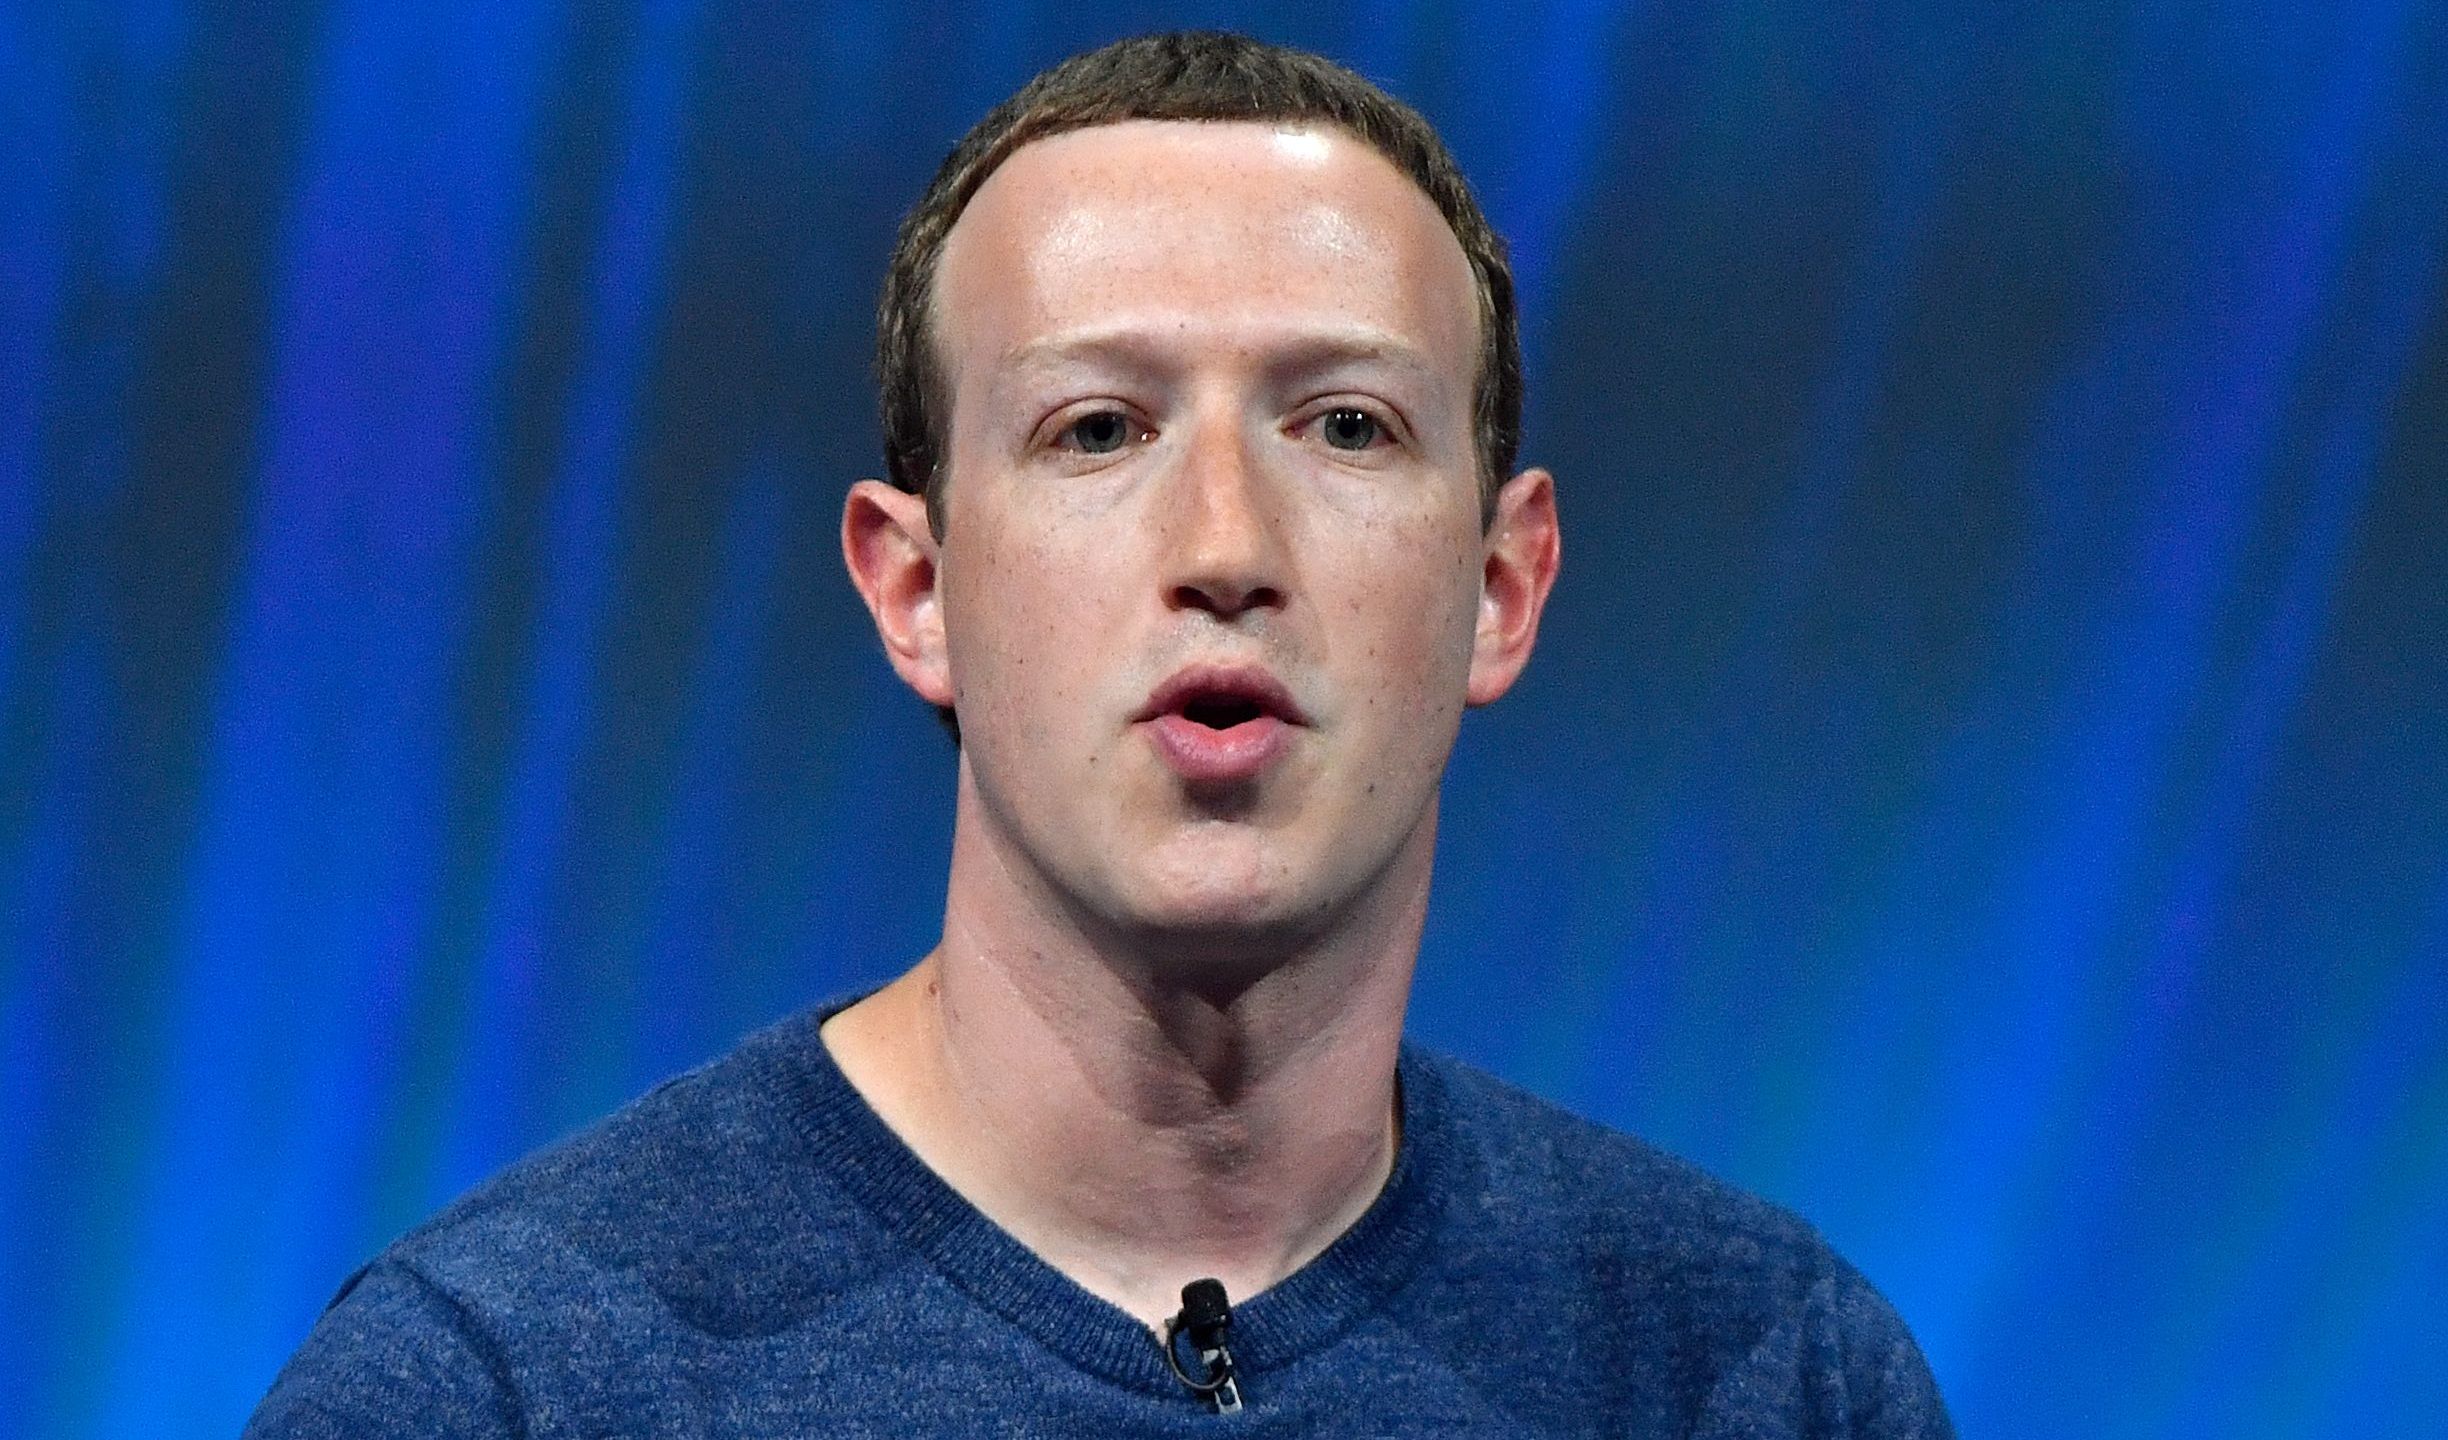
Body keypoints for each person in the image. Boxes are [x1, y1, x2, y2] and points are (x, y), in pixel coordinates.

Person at [249, 31, 1952, 1437]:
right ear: (916, 588)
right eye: (1097, 429)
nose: (1224, 546)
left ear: (1503, 584)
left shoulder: (1765, 1377)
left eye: (1345, 425)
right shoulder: (497, 1385)